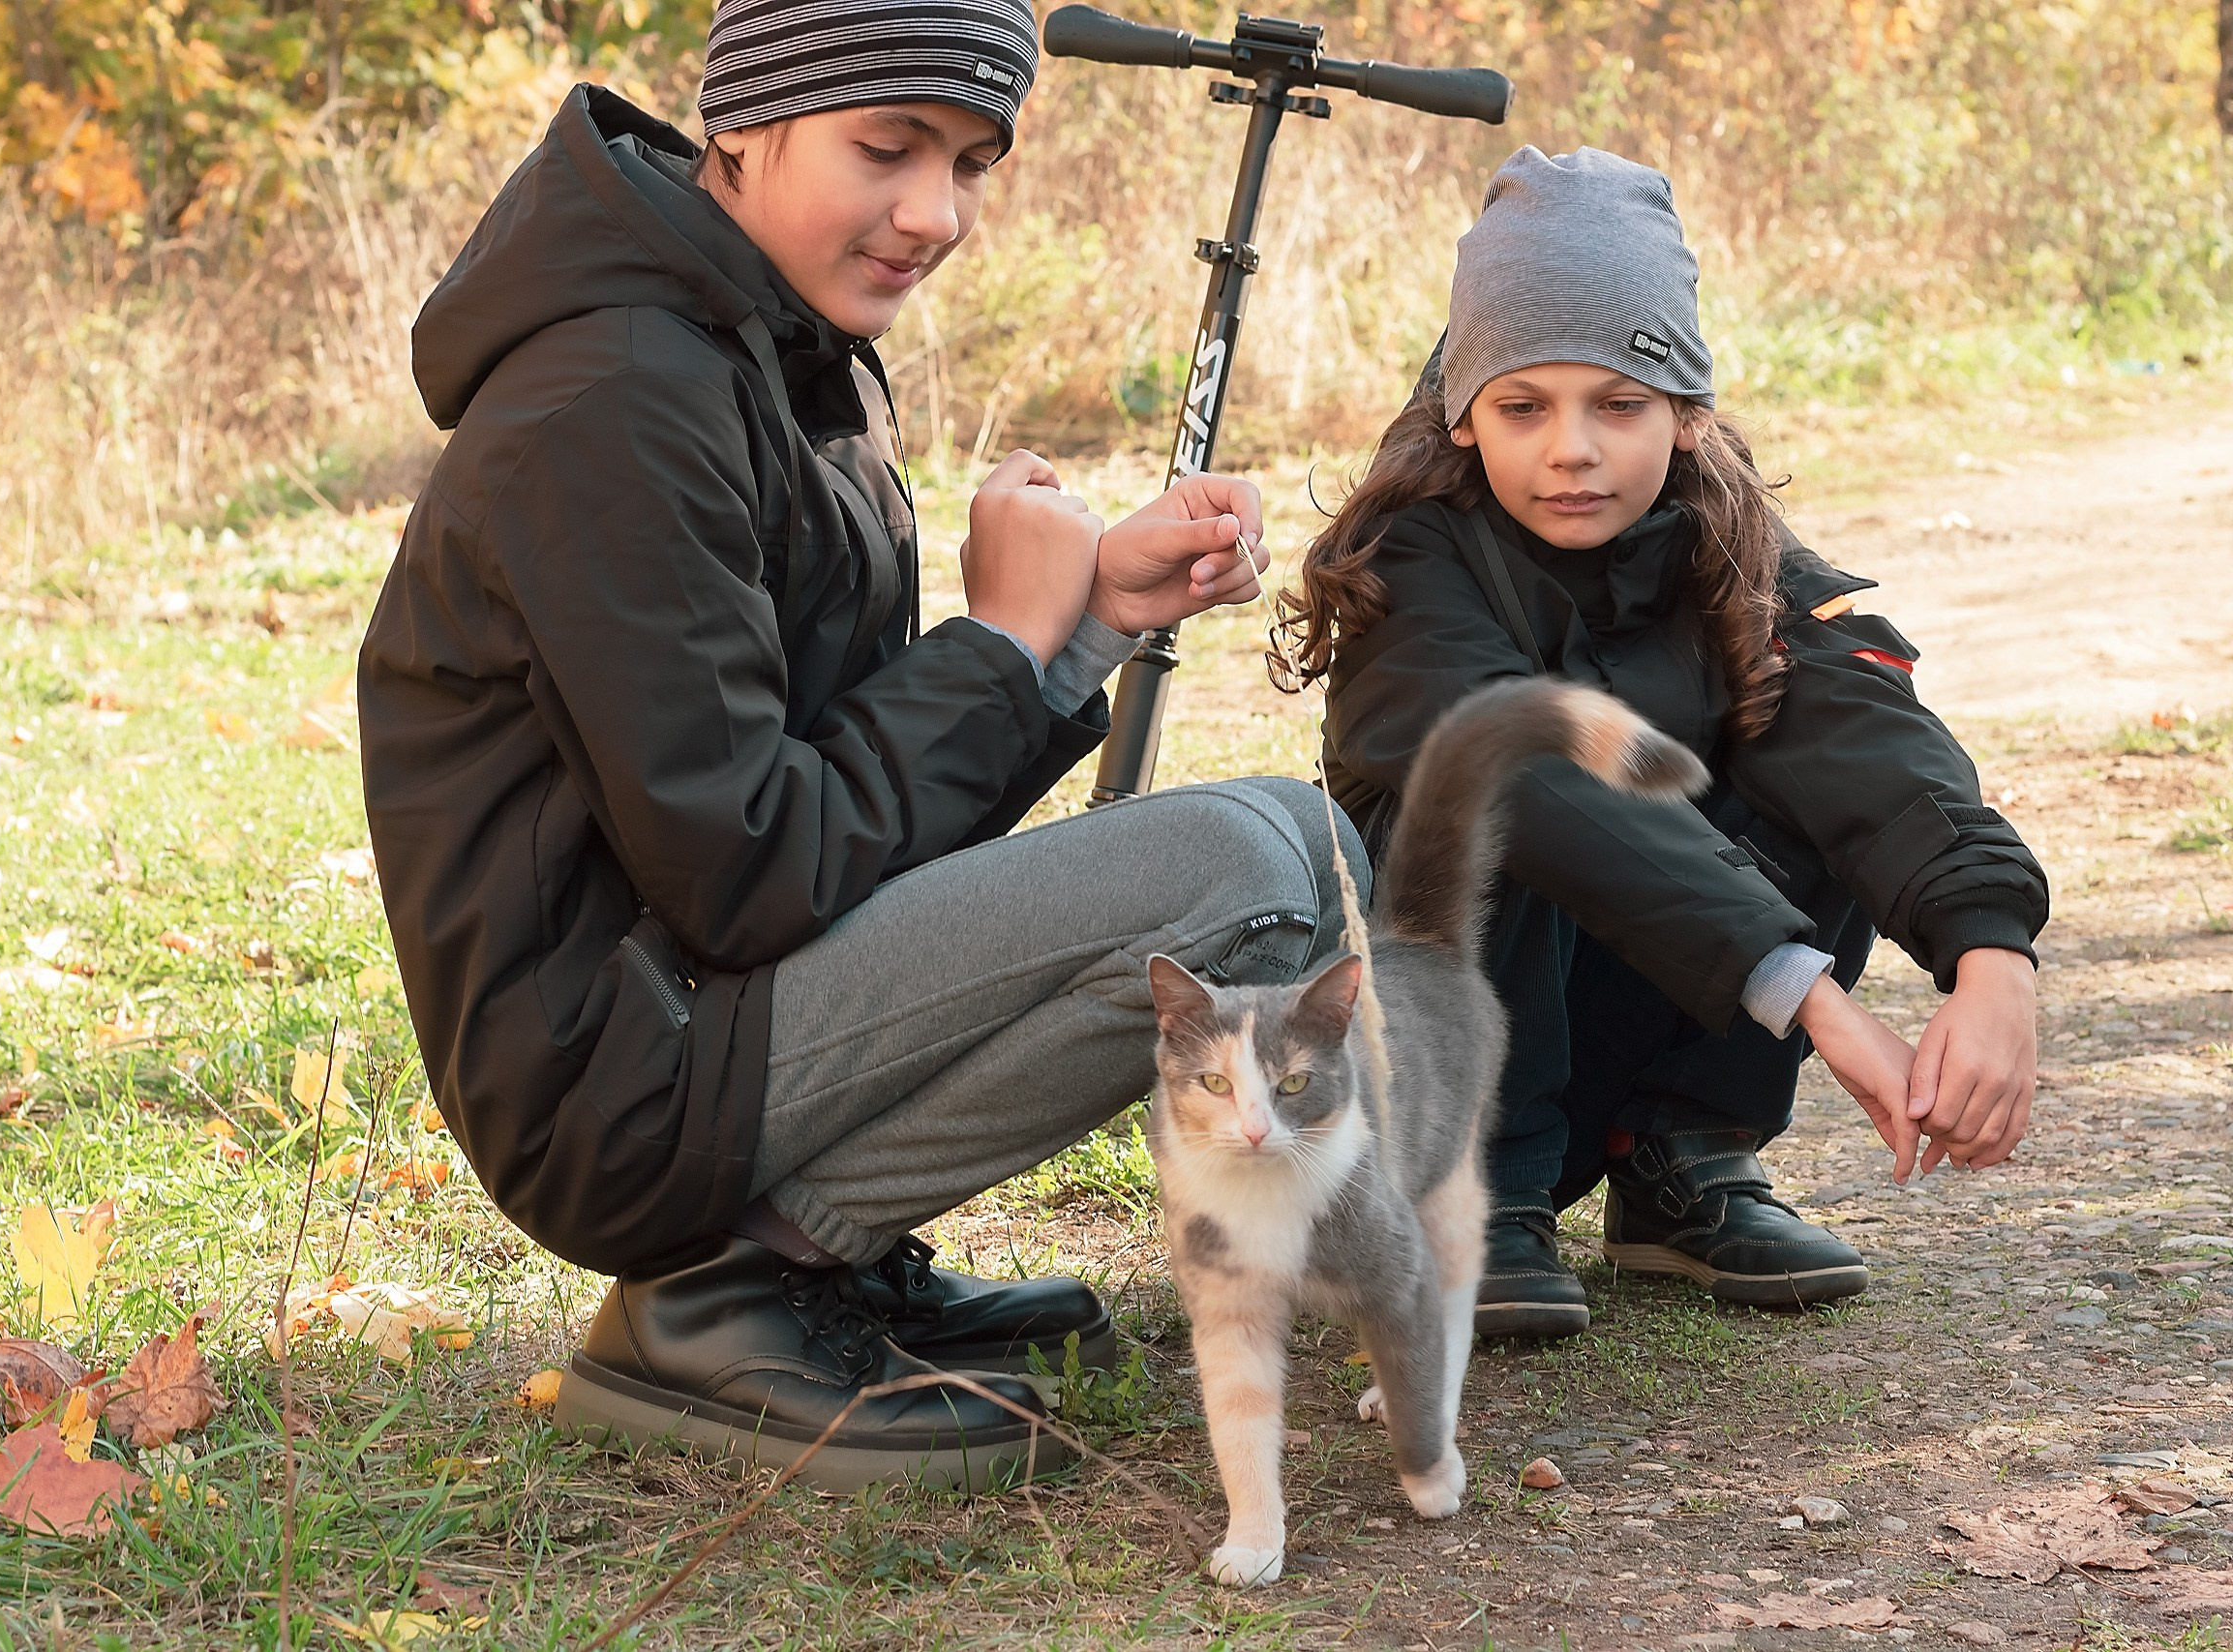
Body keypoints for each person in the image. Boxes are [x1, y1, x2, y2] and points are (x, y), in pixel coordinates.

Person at [358, 0, 1371, 1490]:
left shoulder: (778, 350)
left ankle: (816, 1259)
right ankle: (727, 1286)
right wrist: (997, 645)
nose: (932, 212)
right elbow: (752, 865)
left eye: (970, 160)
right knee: (1239, 878)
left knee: (1310, 846)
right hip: (619, 1076)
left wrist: (1079, 623)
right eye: (886, 147)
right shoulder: (615, 398)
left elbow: (836, 810)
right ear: (744, 126)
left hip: (714, 1009)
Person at [1279, 147, 2048, 1340]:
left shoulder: (1732, 552)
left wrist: (1991, 954)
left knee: (1798, 749)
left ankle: (1680, 1157)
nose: (1571, 450)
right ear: (1462, 413)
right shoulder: (1413, 565)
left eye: (1618, 405)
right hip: (1435, 1051)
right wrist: (1821, 1007)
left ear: (1687, 413)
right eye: (1523, 406)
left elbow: (1873, 746)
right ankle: (1476, 1200)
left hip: (1627, 1017)